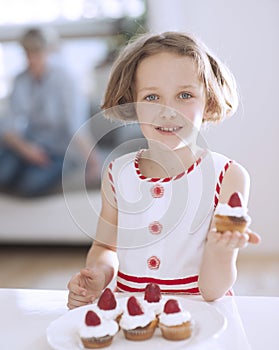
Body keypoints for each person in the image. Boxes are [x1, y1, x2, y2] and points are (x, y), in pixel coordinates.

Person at [67, 31, 261, 308]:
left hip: (203, 316)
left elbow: (212, 290)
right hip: (131, 311)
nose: (168, 111)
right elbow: (105, 248)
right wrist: (99, 273)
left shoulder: (228, 175)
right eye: (152, 97)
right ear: (132, 102)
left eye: (185, 95)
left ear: (209, 101)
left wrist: (222, 250)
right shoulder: (117, 173)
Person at [0, 27, 99, 197]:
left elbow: (75, 127)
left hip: (58, 150)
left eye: (37, 53)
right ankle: (23, 164)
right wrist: (27, 150)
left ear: (49, 51)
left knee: (29, 186)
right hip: (30, 144)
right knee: (3, 174)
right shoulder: (21, 79)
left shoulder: (66, 80)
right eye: (27, 53)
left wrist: (94, 163)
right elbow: (9, 125)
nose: (32, 59)